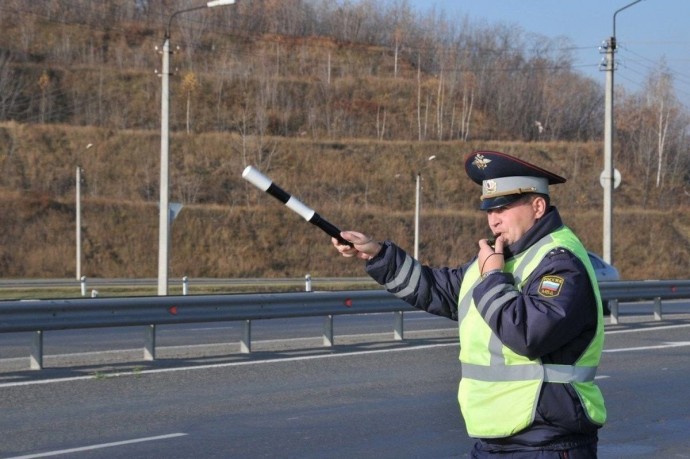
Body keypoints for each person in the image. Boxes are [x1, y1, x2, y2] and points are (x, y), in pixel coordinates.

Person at [332, 150, 606, 458]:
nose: (493, 220)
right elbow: (436, 289)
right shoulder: (498, 259)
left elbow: (528, 334)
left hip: (546, 441)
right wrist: (378, 254)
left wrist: (492, 277)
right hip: (494, 439)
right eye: (489, 210)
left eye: (503, 208)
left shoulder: (559, 261)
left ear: (537, 206)